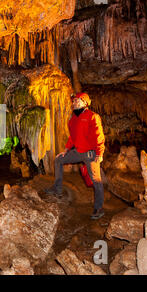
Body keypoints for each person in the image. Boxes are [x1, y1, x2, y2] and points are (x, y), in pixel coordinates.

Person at [44, 92, 106, 220]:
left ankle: (98, 208)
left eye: (78, 100)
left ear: (85, 103)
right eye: (74, 101)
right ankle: (57, 188)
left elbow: (99, 136)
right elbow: (72, 138)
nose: (74, 103)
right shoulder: (73, 119)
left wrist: (100, 153)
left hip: (91, 154)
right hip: (78, 152)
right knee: (58, 160)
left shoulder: (92, 116)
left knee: (96, 181)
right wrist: (66, 150)